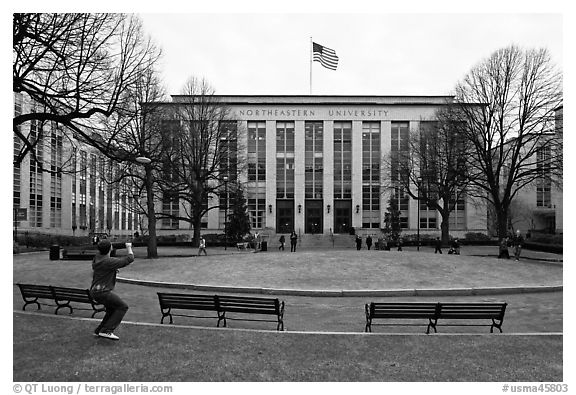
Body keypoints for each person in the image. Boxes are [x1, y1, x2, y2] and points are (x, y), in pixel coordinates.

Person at [90, 240, 135, 341]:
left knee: (112, 309)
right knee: (123, 307)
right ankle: (107, 330)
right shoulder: (108, 262)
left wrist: (113, 269)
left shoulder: (97, 258)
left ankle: (99, 330)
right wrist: (128, 247)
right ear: (110, 248)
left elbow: (104, 267)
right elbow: (129, 258)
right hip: (102, 292)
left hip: (94, 291)